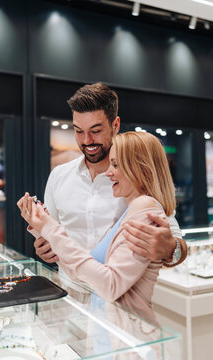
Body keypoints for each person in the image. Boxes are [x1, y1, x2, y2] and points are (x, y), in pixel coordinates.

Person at [18, 131, 180, 320]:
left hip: (128, 334)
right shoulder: (130, 210)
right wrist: (42, 229)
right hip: (105, 327)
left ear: (140, 167)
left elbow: (110, 285)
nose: (109, 172)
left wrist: (49, 228)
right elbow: (82, 274)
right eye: (78, 130)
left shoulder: (144, 207)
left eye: (116, 164)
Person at [29, 82, 186, 266]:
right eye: (79, 131)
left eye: (95, 131)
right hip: (70, 289)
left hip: (122, 292)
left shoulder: (135, 177)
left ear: (116, 125)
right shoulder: (58, 176)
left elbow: (177, 244)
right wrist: (44, 246)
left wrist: (169, 249)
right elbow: (51, 232)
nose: (87, 141)